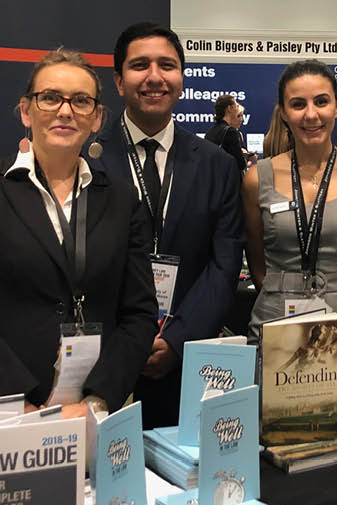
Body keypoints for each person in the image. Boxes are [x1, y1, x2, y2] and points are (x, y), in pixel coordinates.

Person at [0, 49, 157, 416]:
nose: (65, 111)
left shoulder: (122, 199)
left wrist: (96, 402)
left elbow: (140, 314)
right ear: (25, 110)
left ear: (96, 119)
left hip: (93, 415)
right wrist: (22, 403)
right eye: (50, 97)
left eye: (81, 101)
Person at [87, 22, 246, 428]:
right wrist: (129, 343)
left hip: (185, 363)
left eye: (167, 65)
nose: (155, 77)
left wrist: (176, 341)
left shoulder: (217, 164)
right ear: (119, 81)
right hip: (101, 367)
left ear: (180, 78)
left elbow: (223, 264)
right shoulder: (86, 160)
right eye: (140, 65)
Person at [243, 60, 337, 339]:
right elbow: (258, 267)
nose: (311, 114)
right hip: (276, 323)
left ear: (336, 106)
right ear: (284, 113)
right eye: (298, 104)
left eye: (321, 101)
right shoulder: (257, 179)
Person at [204, 94, 247, 171]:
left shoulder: (210, 131)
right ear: (229, 108)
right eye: (236, 106)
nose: (237, 109)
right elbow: (240, 164)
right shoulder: (230, 132)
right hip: (226, 179)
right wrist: (246, 156)